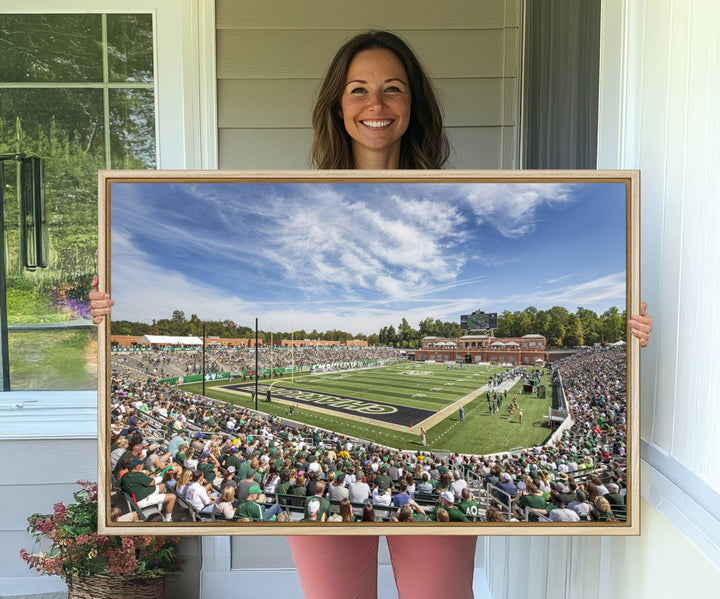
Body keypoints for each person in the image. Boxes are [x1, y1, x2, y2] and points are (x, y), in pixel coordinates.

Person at [90, 29, 653, 599]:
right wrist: (106, 311)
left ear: (413, 105)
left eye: (393, 89)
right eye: (358, 89)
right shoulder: (301, 200)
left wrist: (627, 337)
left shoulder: (455, 193)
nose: (375, 105)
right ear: (338, 104)